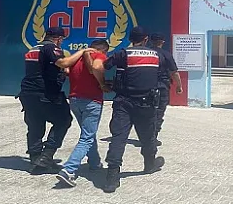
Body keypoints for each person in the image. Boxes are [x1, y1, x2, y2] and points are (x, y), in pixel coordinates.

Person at [18, 27, 95, 173]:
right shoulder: (50, 47)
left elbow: (44, 69)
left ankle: (36, 159)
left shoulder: (34, 48)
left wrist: (61, 73)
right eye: (61, 40)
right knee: (63, 120)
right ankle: (46, 156)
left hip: (28, 94)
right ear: (58, 39)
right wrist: (82, 52)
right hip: (46, 93)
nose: (61, 43)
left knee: (35, 124)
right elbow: (63, 63)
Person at [102, 26, 165, 193]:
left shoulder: (123, 54)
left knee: (119, 138)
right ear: (145, 39)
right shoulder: (156, 54)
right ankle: (149, 164)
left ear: (131, 39)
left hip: (124, 102)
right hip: (147, 103)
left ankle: (112, 176)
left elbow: (105, 65)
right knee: (147, 137)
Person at [55, 39, 111, 187]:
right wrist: (102, 84)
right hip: (92, 101)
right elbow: (97, 67)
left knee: (88, 134)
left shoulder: (76, 57)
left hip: (74, 100)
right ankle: (69, 169)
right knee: (86, 137)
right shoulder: (99, 56)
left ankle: (94, 163)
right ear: (103, 50)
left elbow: (66, 69)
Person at [149, 33, 183, 146]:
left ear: (150, 41)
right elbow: (174, 72)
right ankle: (152, 138)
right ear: (162, 42)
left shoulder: (146, 53)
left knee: (147, 112)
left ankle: (146, 136)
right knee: (159, 112)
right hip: (162, 87)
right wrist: (179, 86)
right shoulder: (166, 55)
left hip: (146, 86)